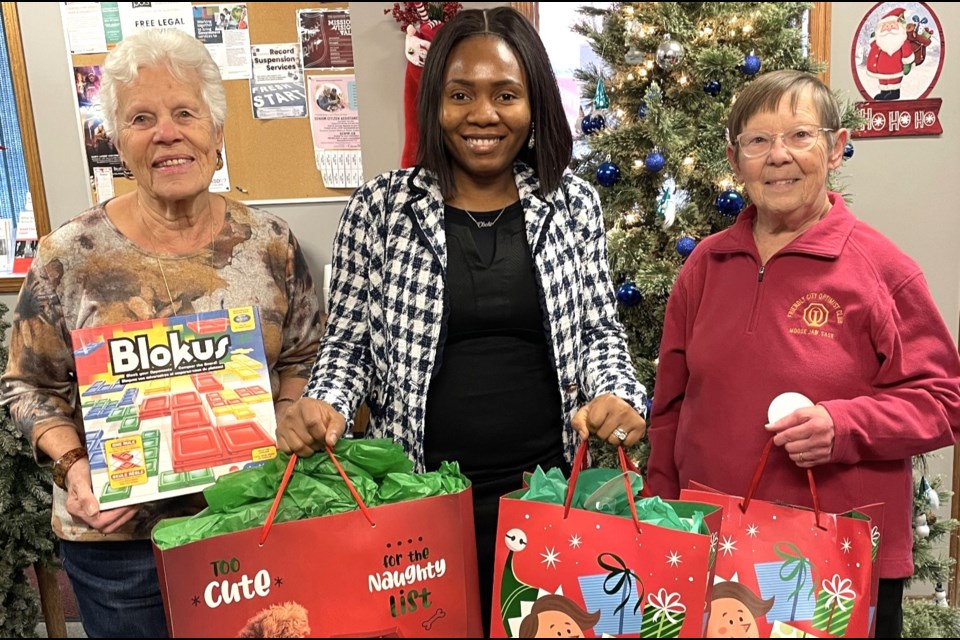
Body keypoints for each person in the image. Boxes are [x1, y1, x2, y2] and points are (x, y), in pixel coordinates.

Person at [277, 6, 646, 633]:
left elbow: (598, 332)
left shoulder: (574, 203)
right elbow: (347, 347)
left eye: (506, 94)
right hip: (419, 502)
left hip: (547, 498)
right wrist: (327, 404)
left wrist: (616, 392)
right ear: (435, 105)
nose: (483, 115)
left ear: (534, 105)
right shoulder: (380, 209)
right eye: (460, 95)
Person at [0, 29, 322, 638]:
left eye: (184, 113)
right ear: (118, 143)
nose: (166, 133)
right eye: (141, 118)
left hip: (251, 520)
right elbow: (26, 385)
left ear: (217, 134)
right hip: (122, 546)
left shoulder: (273, 245)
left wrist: (284, 411)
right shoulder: (68, 256)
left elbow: (307, 353)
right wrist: (74, 466)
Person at [646, 69, 960, 639]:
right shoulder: (704, 266)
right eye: (758, 141)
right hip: (711, 544)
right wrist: (659, 513)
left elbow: (944, 400)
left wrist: (845, 426)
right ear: (735, 159)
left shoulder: (881, 269)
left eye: (800, 136)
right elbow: (669, 406)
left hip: (833, 557)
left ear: (838, 148)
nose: (778, 156)